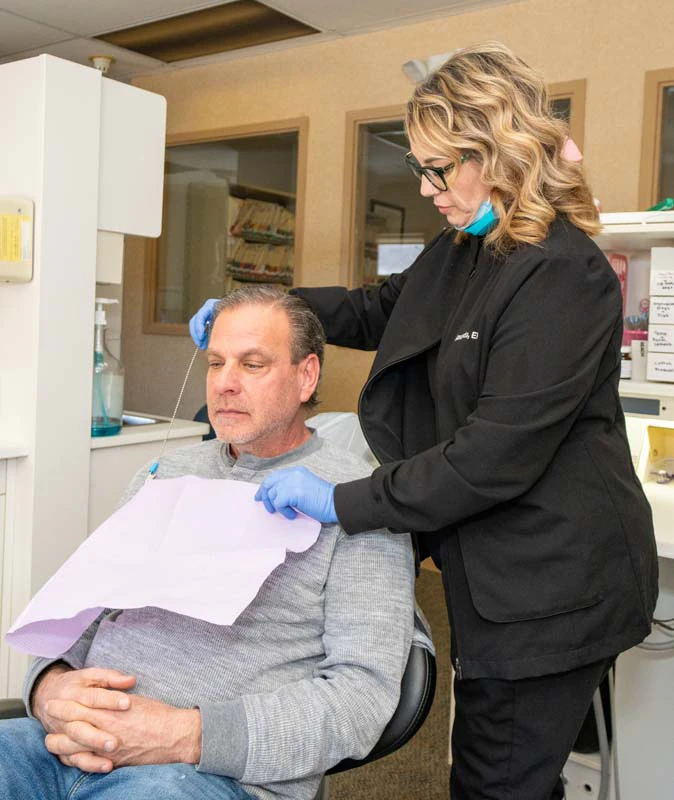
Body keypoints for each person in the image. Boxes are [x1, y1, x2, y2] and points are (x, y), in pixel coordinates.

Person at [190, 43, 659, 799]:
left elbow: (491, 458)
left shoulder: (562, 275)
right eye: (420, 166)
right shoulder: (462, 250)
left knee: (496, 777)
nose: (425, 186)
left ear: (500, 152)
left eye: (439, 167)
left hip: (553, 576)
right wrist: (268, 308)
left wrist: (340, 501)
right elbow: (380, 309)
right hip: (490, 563)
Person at [0, 287, 415, 800]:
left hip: (205, 775)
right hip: (59, 746)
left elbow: (362, 700)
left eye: (253, 365)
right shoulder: (166, 474)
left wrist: (182, 736)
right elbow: (74, 619)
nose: (225, 384)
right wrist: (50, 690)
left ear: (306, 376)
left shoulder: (359, 503)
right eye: (216, 363)